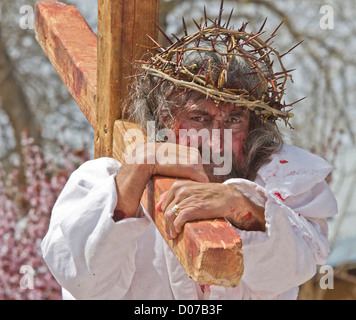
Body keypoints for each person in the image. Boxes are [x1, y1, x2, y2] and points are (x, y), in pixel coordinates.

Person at [41, 15, 338, 300]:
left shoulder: (284, 186)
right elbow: (83, 280)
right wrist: (132, 180)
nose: (215, 138)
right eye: (199, 118)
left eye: (234, 119)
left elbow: (288, 269)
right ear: (162, 122)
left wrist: (241, 206)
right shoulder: (97, 183)